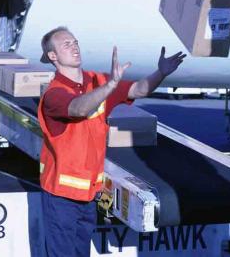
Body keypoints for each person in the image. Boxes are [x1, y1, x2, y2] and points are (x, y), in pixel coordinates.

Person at [38, 26, 185, 257]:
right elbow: (78, 108)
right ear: (52, 56)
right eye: (66, 44)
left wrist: (161, 73)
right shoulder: (54, 94)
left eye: (75, 42)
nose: (74, 46)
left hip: (89, 194)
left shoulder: (97, 80)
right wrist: (109, 87)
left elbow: (138, 89)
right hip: (62, 197)